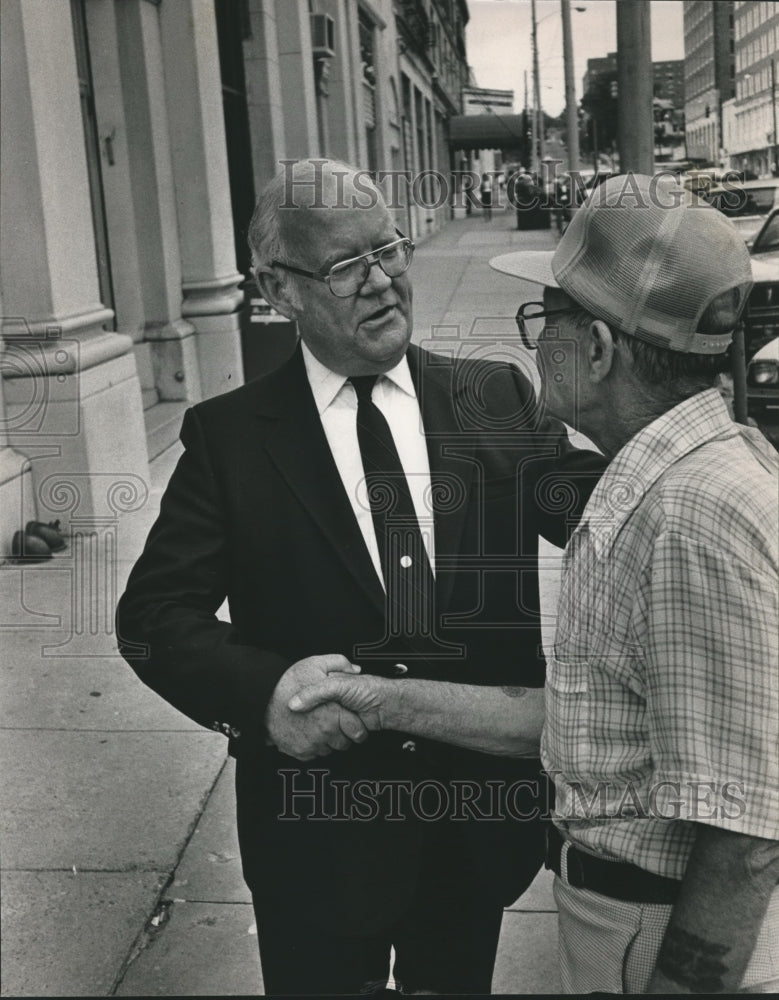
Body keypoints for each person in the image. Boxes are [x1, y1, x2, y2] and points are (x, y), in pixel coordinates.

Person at [116, 158, 605, 996]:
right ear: (281, 288)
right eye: (346, 267)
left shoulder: (491, 397)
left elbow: (605, 518)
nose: (382, 282)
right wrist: (266, 693)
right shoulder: (230, 440)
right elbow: (154, 616)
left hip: (475, 831)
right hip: (318, 843)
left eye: (390, 249)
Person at [297, 172, 779, 993]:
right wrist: (381, 698)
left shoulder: (691, 513)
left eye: (545, 321)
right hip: (622, 918)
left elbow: (744, 831)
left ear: (596, 348)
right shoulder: (666, 483)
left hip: (655, 933)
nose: (532, 344)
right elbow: (599, 721)